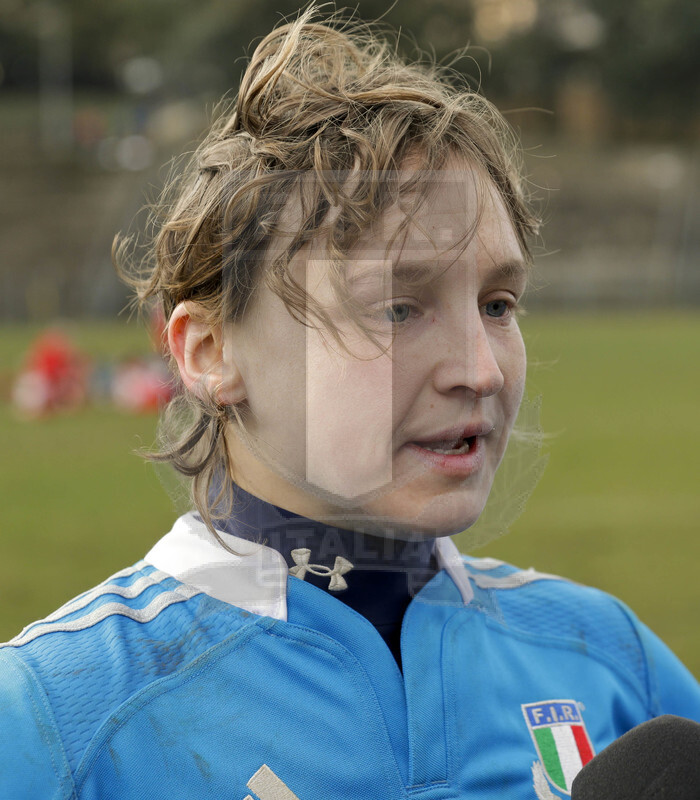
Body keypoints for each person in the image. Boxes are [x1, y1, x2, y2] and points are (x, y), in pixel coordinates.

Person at [1, 9, 698, 799]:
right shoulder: (54, 721)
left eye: (499, 305)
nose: (481, 369)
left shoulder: (610, 664)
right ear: (209, 351)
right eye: (397, 309)